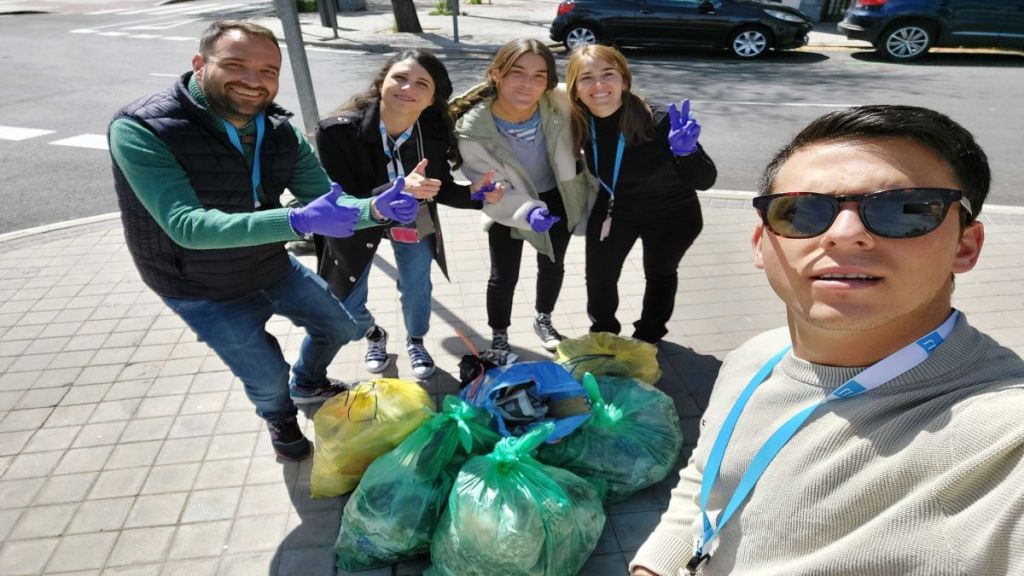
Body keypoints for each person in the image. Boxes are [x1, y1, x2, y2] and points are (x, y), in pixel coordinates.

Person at [630, 105, 1024, 575]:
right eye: (801, 211)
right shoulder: (753, 358)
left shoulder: (1002, 440)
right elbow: (706, 488)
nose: (844, 234)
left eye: (904, 210)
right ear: (762, 242)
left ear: (965, 246)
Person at [108, 21, 420, 462]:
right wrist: (295, 221)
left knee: (340, 326)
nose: (254, 81)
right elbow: (186, 225)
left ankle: (308, 381)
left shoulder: (279, 130)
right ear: (200, 64)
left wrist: (376, 210)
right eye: (235, 65)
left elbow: (323, 198)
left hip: (270, 265)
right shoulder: (142, 128)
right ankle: (280, 417)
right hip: (200, 287)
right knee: (266, 377)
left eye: (268, 71)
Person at [316, 49, 503, 380]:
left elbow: (440, 187)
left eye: (421, 84)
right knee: (345, 302)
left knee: (417, 287)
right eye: (400, 77)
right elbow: (339, 200)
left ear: (432, 99)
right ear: (381, 82)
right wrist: (397, 189)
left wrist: (474, 195)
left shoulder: (431, 135)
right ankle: (374, 335)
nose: (408, 88)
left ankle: (416, 340)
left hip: (411, 220)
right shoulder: (336, 132)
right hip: (355, 223)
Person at [450, 39, 596, 354]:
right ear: (497, 74)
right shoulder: (473, 129)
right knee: (503, 276)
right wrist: (526, 211)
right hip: (508, 206)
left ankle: (543, 318)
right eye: (517, 72)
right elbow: (491, 185)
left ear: (548, 82)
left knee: (553, 265)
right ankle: (499, 334)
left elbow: (605, 96)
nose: (527, 84)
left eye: (538, 76)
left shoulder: (557, 103)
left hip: (558, 198)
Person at [565, 45, 716, 344]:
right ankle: (604, 332)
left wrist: (685, 152)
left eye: (608, 74)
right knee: (599, 276)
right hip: (615, 207)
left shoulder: (658, 119)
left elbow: (705, 179)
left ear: (624, 79)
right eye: (587, 77)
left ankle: (649, 336)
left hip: (673, 211)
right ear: (575, 88)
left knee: (659, 274)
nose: (599, 85)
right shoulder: (577, 120)